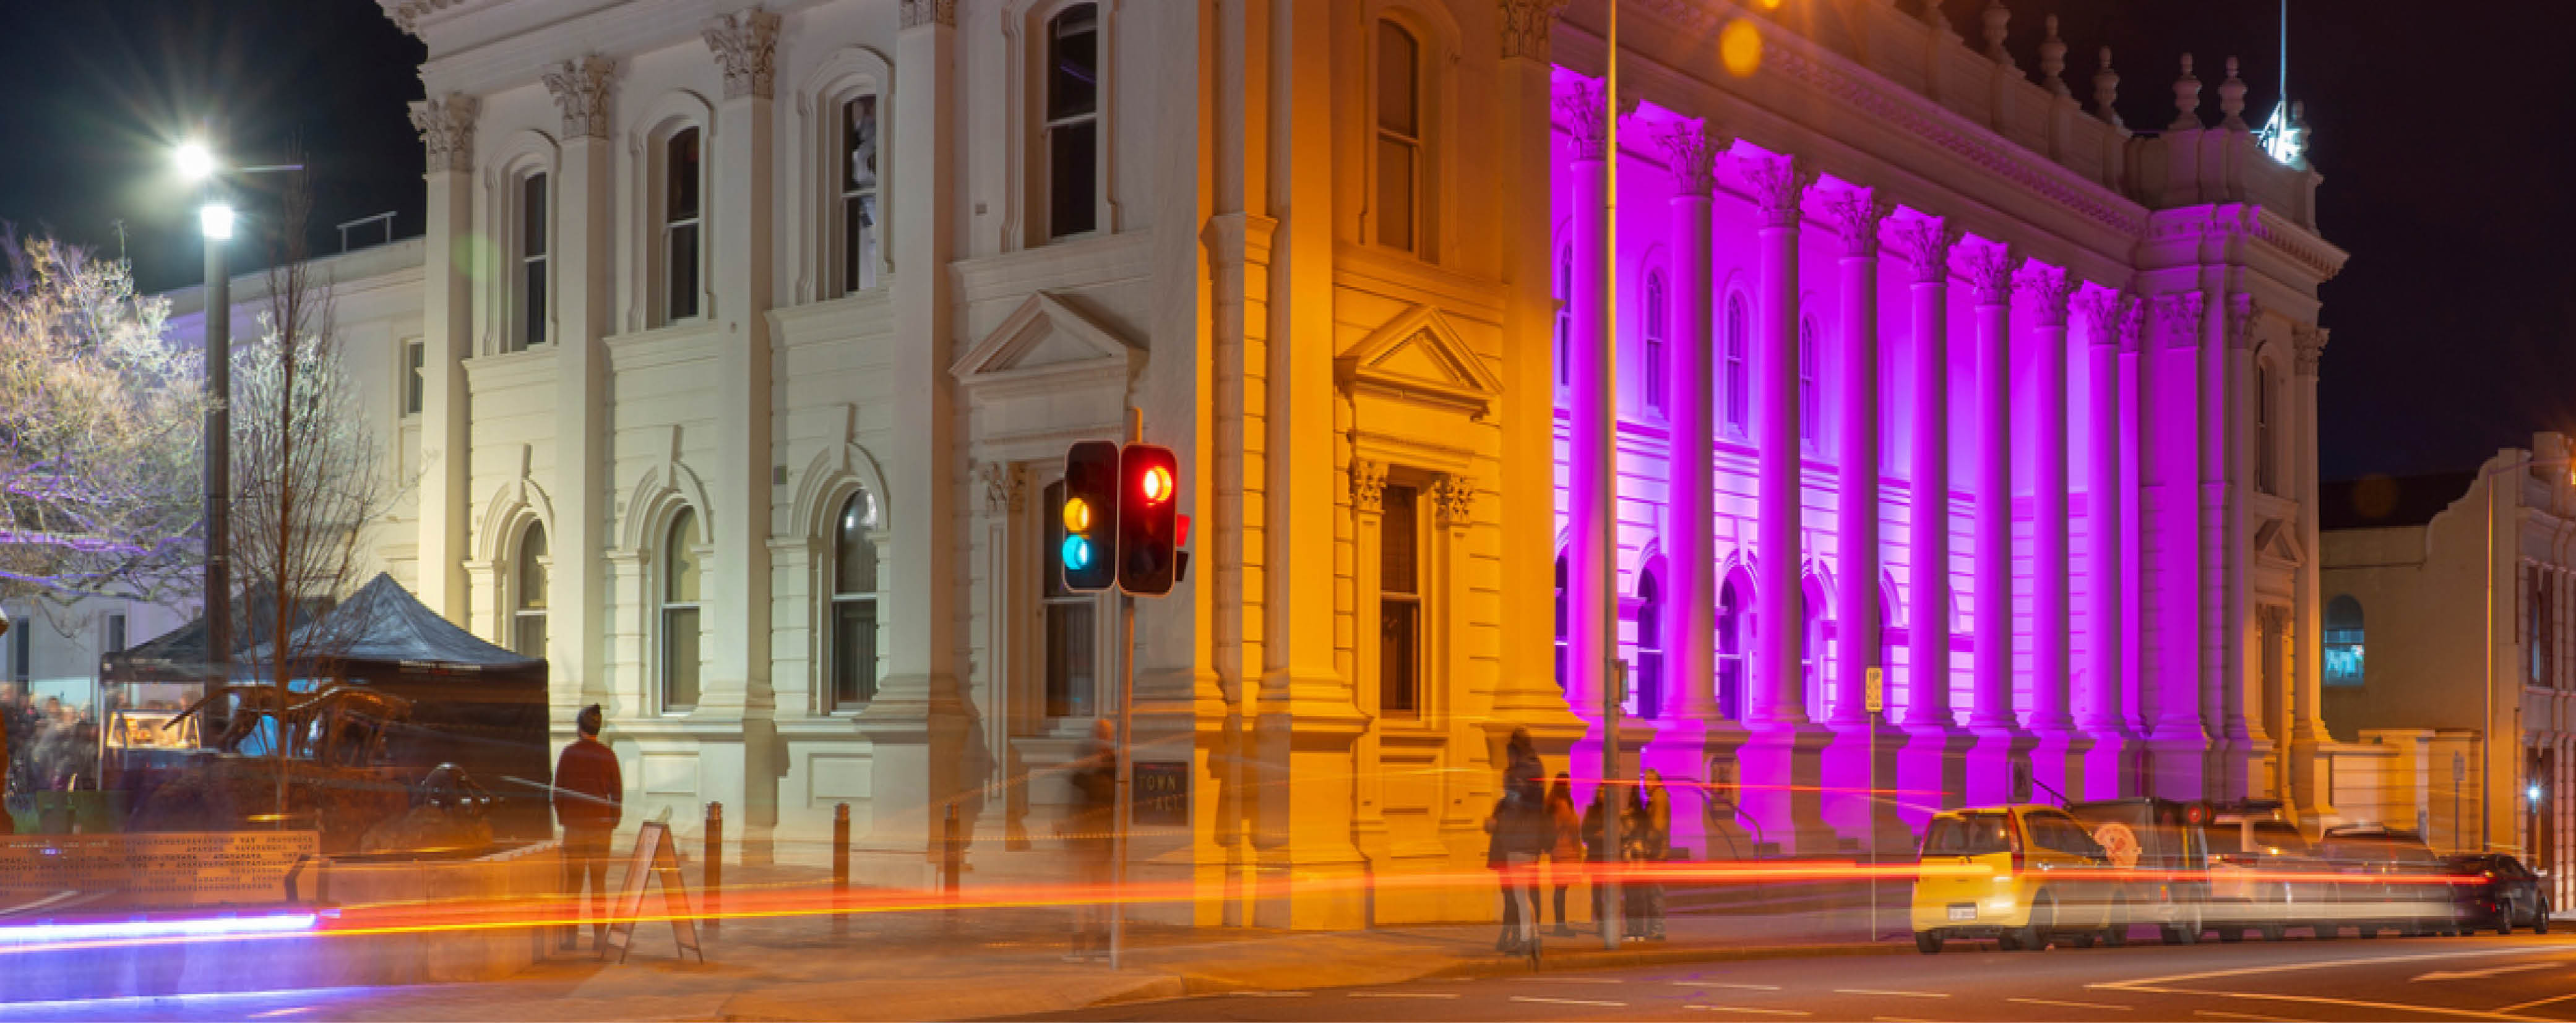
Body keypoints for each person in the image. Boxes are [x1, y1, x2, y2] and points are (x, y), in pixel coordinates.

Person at [553, 704, 623, 952]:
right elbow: (617, 793)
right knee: (599, 884)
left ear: (579, 727)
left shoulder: (569, 754)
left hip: (575, 827)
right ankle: (599, 937)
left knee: (573, 885)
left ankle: (571, 938)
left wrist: (565, 818)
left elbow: (558, 791)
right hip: (600, 827)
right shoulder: (607, 755)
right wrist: (612, 820)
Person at [1484, 727, 1546, 954]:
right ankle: (1533, 939)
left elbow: (1514, 807)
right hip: (1533, 840)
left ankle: (1527, 940)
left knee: (1520, 896)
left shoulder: (1517, 774)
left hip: (1518, 840)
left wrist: (1497, 824)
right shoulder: (1537, 767)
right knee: (1525, 895)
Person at [1061, 718, 1117, 961]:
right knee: (1095, 891)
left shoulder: (1097, 772)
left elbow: (1078, 796)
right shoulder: (1109, 770)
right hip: (1095, 839)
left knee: (1088, 892)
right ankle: (1094, 941)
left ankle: (1086, 941)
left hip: (1092, 839)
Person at [1625, 769, 1671, 941]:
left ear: (1658, 782)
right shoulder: (1657, 798)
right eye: (1645, 780)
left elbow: (1658, 827)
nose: (1647, 784)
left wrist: (1647, 845)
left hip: (1657, 853)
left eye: (1650, 780)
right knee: (1654, 892)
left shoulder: (1659, 797)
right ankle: (1655, 929)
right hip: (1658, 852)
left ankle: (1658, 930)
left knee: (1655, 893)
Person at [1544, 774, 1583, 936]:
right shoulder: (1561, 805)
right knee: (1560, 890)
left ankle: (1561, 925)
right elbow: (1562, 826)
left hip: (1563, 851)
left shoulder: (1560, 803)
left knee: (1561, 889)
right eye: (1567, 784)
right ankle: (1560, 926)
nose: (1570, 787)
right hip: (1563, 851)